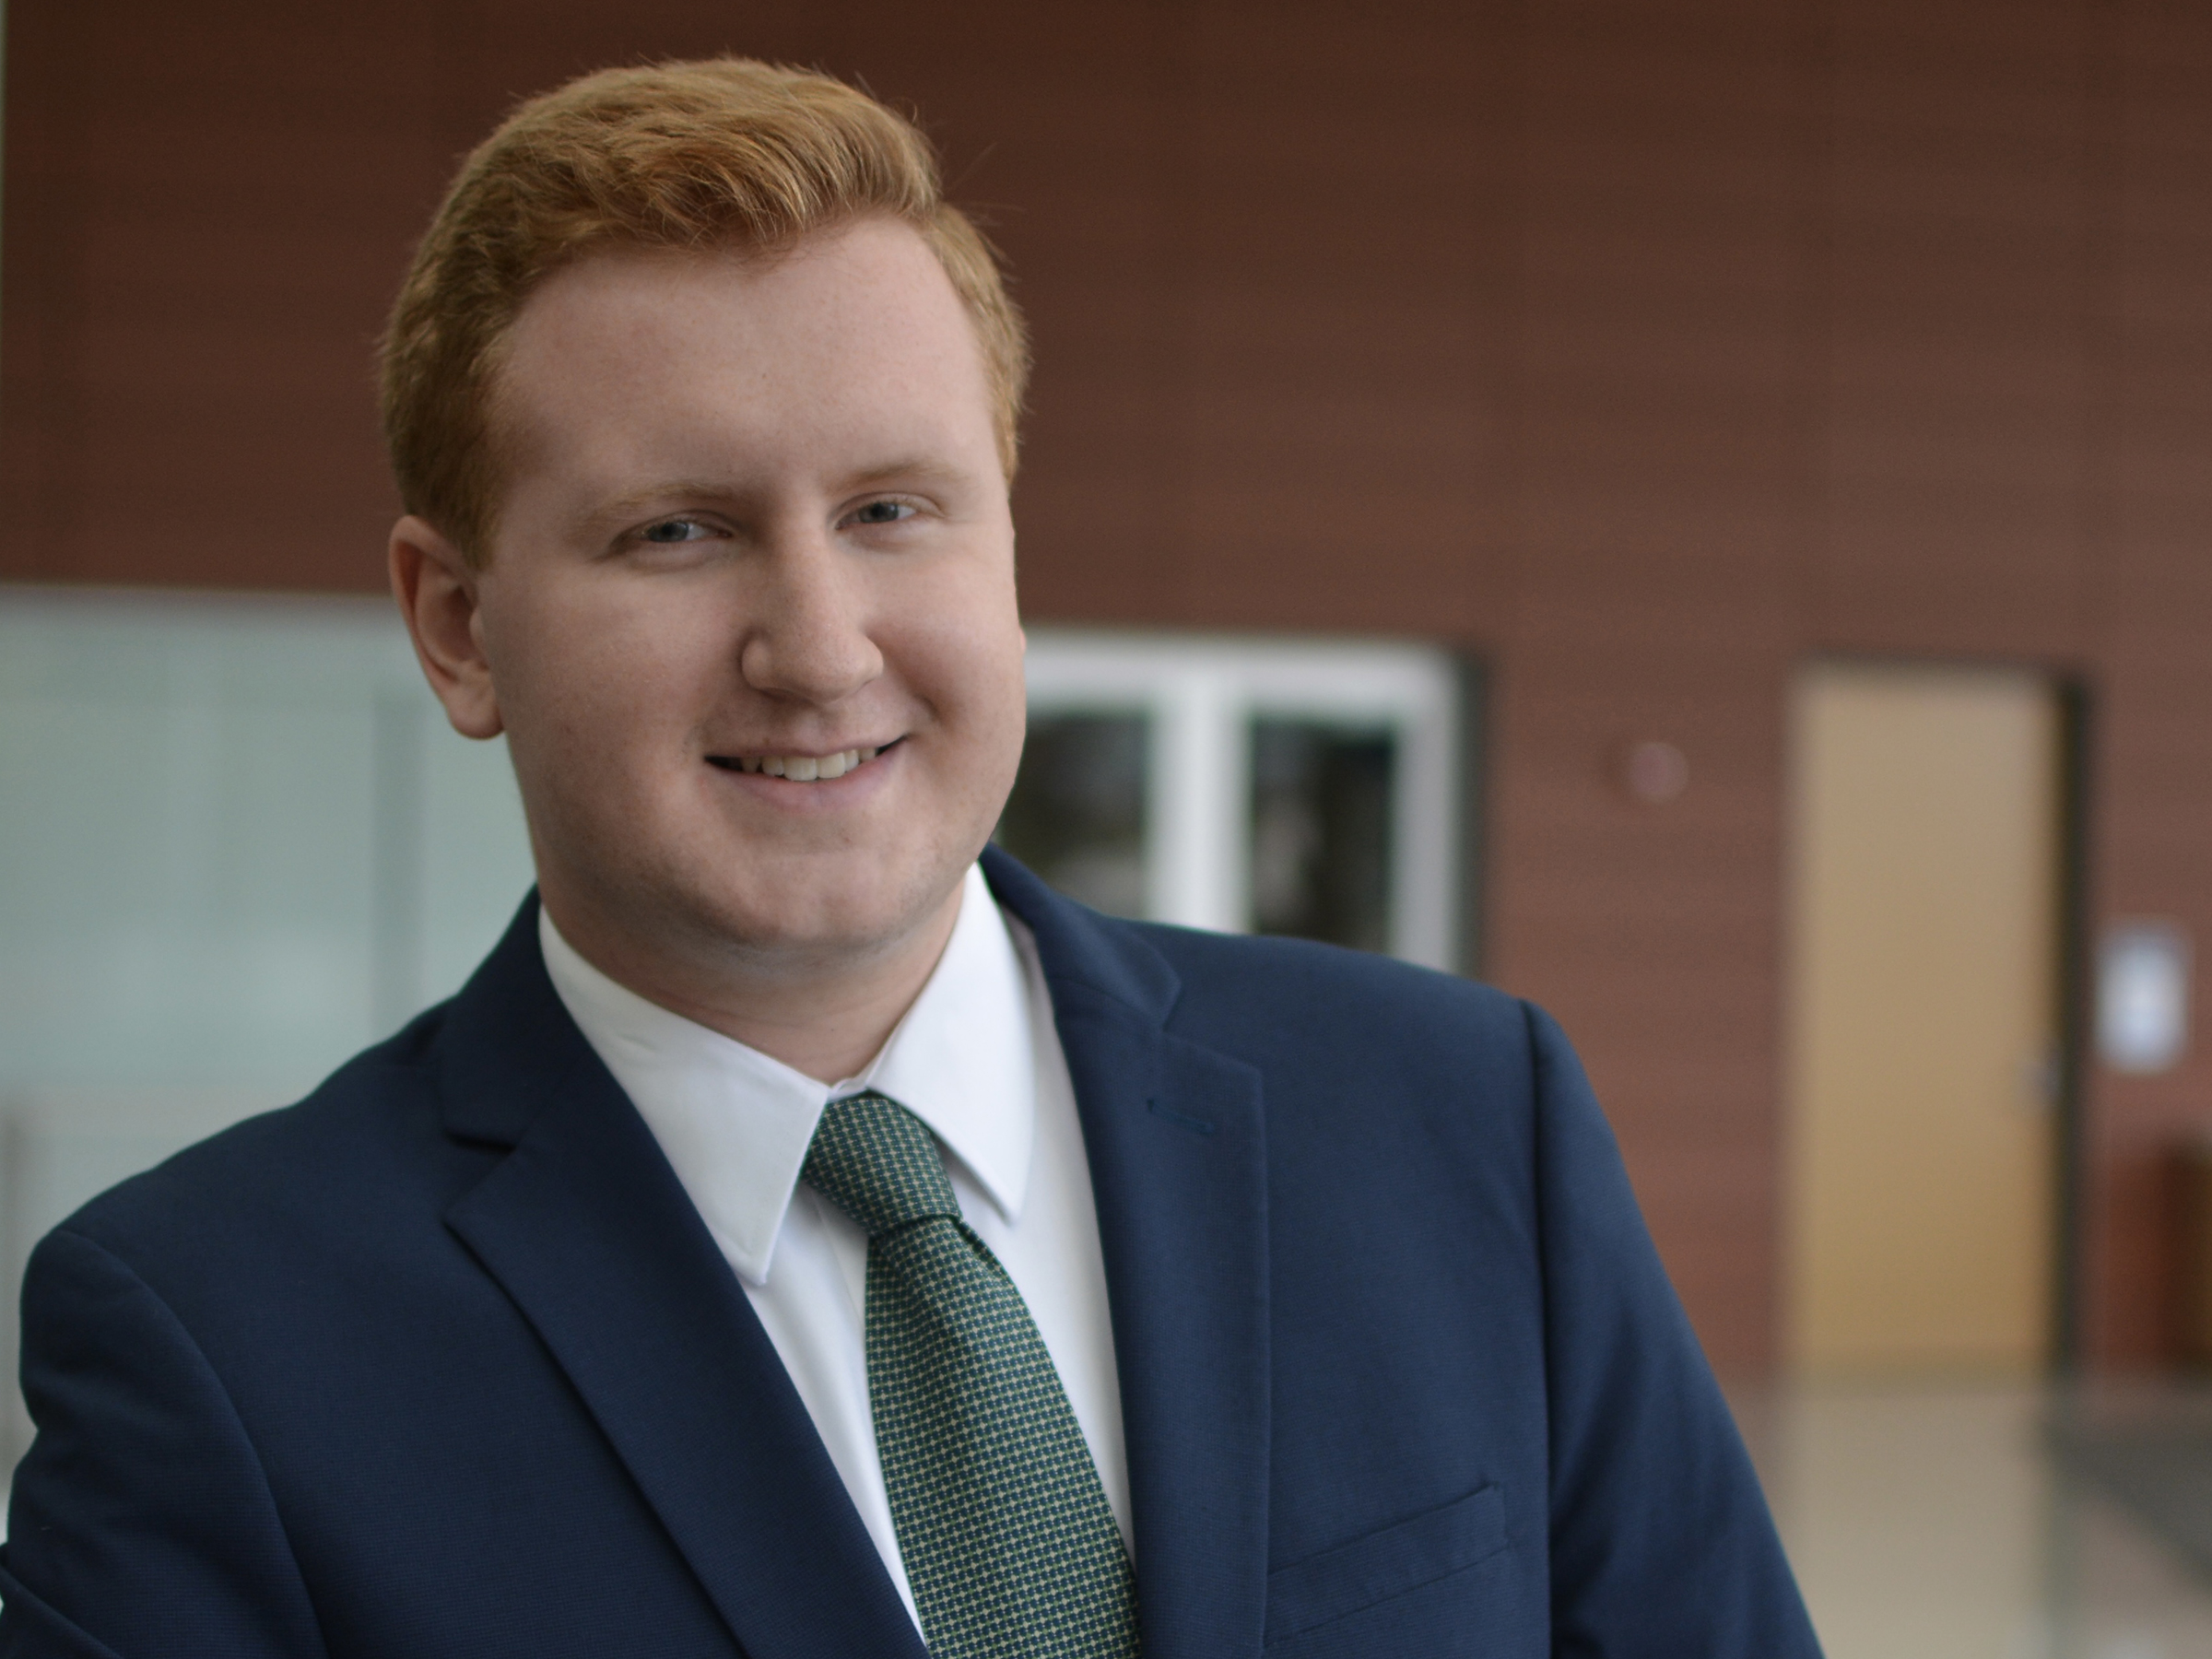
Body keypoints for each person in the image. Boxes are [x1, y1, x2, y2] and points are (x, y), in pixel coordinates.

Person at [0, 58, 1820, 1659]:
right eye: (678, 531)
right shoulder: (215, 1349)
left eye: (892, 510)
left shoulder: (1455, 1124)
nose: (817, 643)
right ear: (459, 625)